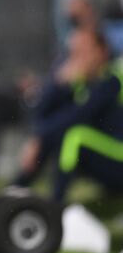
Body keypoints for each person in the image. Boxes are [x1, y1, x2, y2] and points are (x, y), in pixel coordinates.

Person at [17, 28, 123, 202]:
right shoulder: (79, 82)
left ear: (102, 51)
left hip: (118, 158)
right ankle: (14, 192)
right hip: (99, 156)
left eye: (83, 52)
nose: (77, 58)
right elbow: (42, 112)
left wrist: (37, 138)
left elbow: (77, 116)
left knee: (74, 136)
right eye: (73, 53)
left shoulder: (113, 80)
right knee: (56, 131)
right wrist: (58, 84)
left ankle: (55, 204)